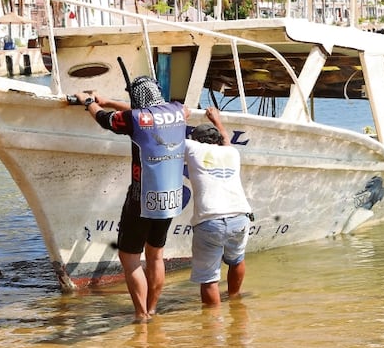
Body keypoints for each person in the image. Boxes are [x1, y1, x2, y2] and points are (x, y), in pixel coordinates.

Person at [75, 75, 188, 322]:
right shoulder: (180, 111)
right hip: (170, 199)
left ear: (137, 99)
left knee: (130, 257)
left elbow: (105, 120)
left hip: (141, 198)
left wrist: (89, 102)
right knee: (156, 255)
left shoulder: (134, 119)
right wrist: (113, 101)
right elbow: (145, 114)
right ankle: (153, 308)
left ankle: (141, 315)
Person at [184, 107, 252, 306]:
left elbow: (171, 133)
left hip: (209, 221)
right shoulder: (232, 152)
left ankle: (213, 324)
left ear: (196, 140)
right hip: (240, 216)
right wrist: (217, 120)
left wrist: (182, 117)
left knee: (208, 279)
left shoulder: (193, 148)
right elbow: (225, 139)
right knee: (237, 260)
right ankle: (234, 300)